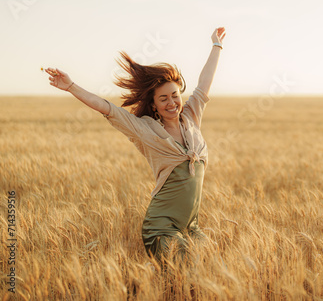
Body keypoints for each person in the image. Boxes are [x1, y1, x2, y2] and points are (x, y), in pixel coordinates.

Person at [45, 27, 226, 266]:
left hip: (191, 227)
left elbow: (203, 86)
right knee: (184, 271)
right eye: (163, 98)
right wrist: (70, 86)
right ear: (153, 105)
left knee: (211, 270)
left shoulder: (191, 118)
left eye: (174, 95)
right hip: (161, 228)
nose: (172, 102)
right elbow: (106, 108)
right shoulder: (145, 129)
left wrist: (216, 46)